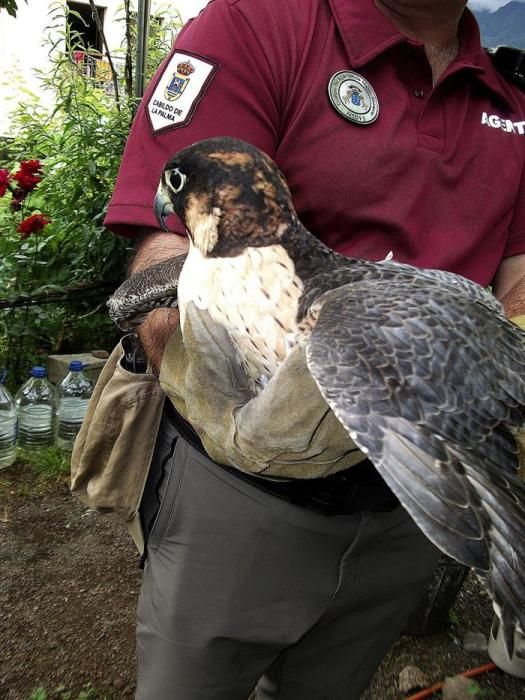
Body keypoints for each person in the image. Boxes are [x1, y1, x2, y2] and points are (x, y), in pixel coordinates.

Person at [104, 1, 525, 698]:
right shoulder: (257, 23)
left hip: (410, 499)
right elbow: (169, 241)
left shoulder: (507, 91)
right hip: (240, 496)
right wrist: (177, 330)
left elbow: (515, 274)